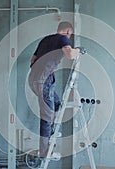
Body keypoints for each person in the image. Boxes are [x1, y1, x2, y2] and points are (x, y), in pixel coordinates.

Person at [28, 21, 85, 160]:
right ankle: (45, 152)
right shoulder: (63, 38)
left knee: (58, 103)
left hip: (34, 79)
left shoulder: (45, 40)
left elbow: (33, 59)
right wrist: (79, 50)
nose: (69, 38)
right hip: (44, 80)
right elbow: (70, 54)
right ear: (68, 32)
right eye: (70, 35)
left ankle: (51, 133)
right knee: (47, 117)